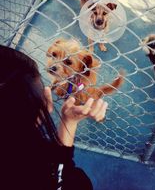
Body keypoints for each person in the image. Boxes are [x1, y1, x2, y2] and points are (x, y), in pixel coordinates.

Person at [0, 44, 108, 190]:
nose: (53, 65)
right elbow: (63, 176)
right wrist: (68, 123)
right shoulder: (38, 168)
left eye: (67, 62)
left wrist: (68, 121)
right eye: (38, 91)